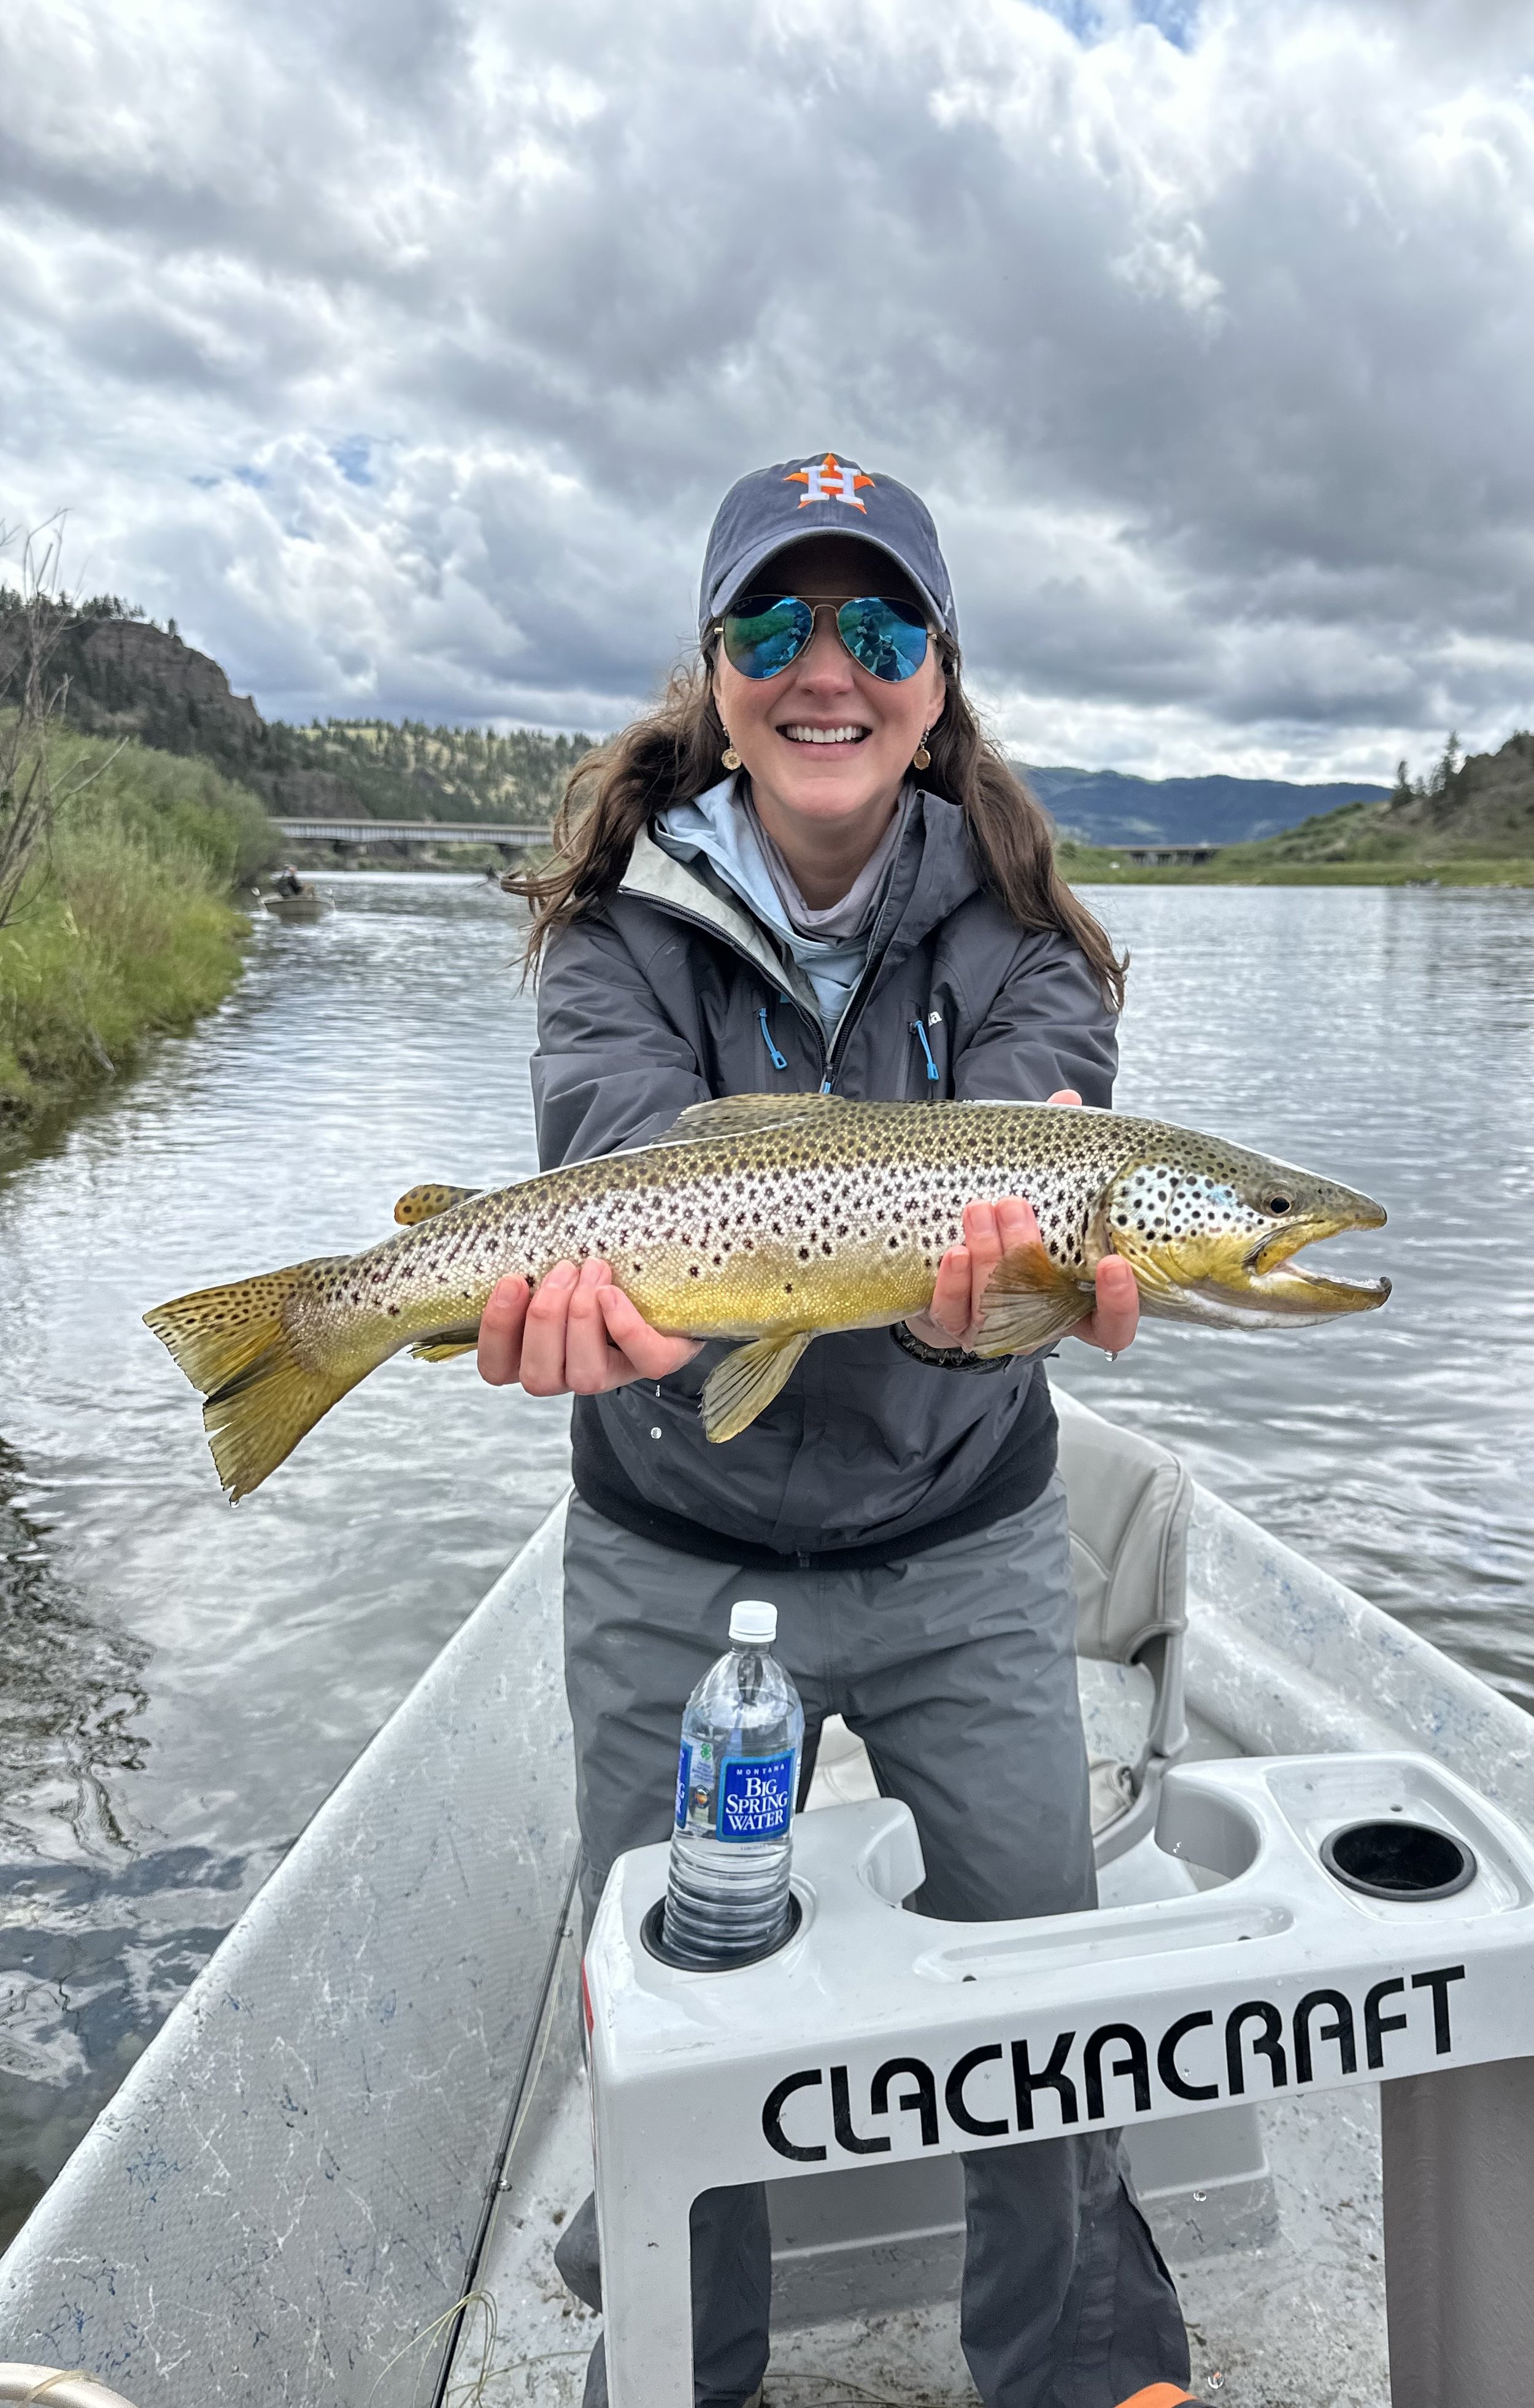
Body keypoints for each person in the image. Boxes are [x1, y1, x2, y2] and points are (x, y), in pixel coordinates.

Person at [482, 453, 1193, 2408]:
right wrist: (587, 1298)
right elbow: (616, 1160)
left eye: (875, 626)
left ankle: (1076, 2365)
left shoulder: (1033, 935)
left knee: (1046, 1996)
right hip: (670, 1548)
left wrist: (1017, 1281)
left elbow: (1045, 1142)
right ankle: (676, 2369)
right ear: (713, 676)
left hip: (964, 1548)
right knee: (669, 2021)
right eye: (772, 625)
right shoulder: (615, 929)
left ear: (937, 679)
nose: (827, 668)